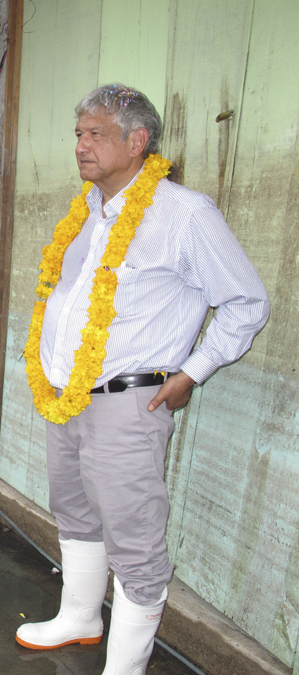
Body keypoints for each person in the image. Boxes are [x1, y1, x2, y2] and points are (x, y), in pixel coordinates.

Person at [17, 84, 269, 674]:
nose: (81, 145)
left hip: (131, 401)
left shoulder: (184, 214)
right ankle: (80, 617)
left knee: (134, 538)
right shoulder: (87, 212)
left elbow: (245, 302)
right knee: (74, 510)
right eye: (78, 133)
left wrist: (193, 372)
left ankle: (125, 669)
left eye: (95, 134)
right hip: (65, 396)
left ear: (137, 141)